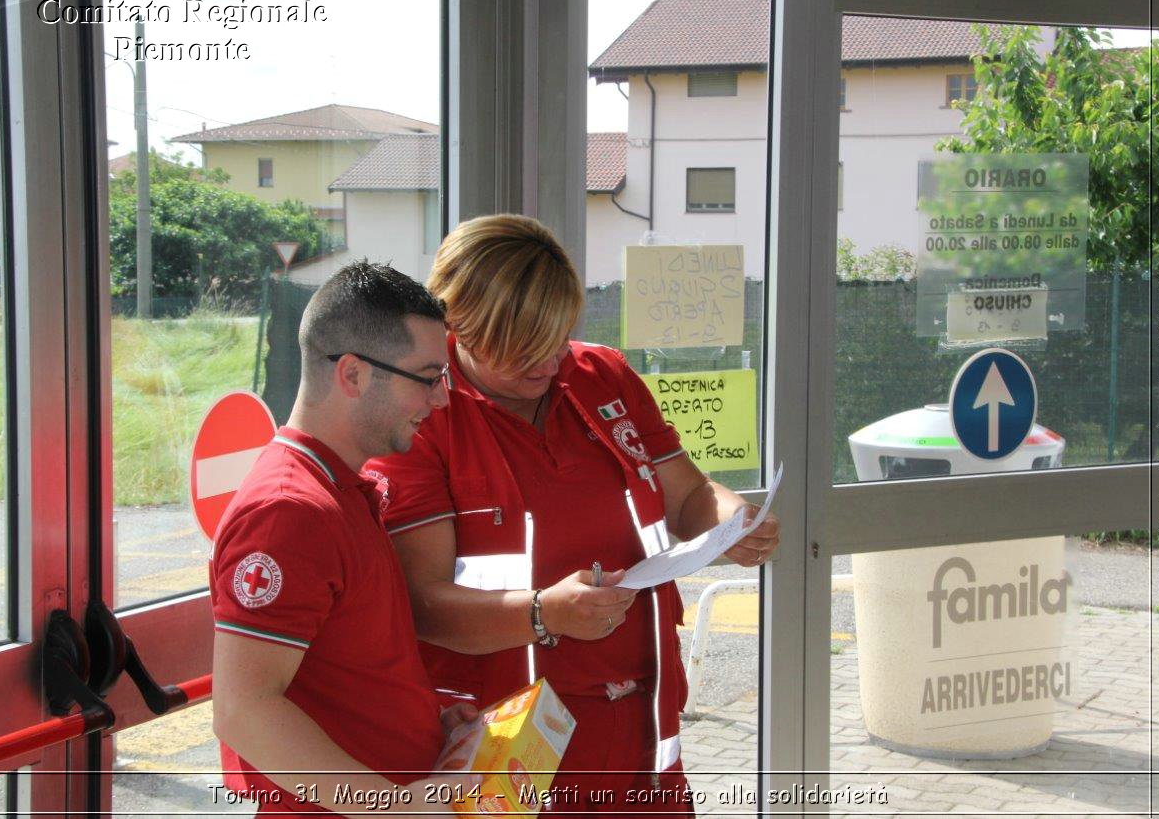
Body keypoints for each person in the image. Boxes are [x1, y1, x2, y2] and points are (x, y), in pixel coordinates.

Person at [364, 215, 780, 815]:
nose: (550, 362)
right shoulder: (425, 411)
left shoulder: (602, 374)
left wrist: (731, 520)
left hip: (642, 747)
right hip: (509, 758)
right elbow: (421, 605)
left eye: (558, 339)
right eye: (525, 350)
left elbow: (687, 495)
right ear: (463, 330)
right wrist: (543, 614)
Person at [211, 261, 478, 816]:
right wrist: (397, 810)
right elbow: (244, 708)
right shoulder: (289, 511)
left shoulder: (338, 487)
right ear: (353, 374)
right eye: (428, 378)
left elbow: (340, 669)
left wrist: (427, 716)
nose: (442, 401)